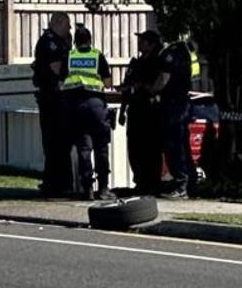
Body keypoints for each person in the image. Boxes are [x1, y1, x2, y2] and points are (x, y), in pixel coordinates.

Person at [62, 24, 114, 200]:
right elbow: (107, 83)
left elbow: (61, 80)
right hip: (96, 106)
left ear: (75, 41)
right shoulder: (97, 56)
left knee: (84, 149)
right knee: (101, 148)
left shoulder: (69, 56)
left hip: (76, 107)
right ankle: (104, 188)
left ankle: (87, 188)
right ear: (90, 40)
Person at [32, 11, 73, 195]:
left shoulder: (60, 41)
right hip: (51, 98)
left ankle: (59, 182)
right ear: (57, 23)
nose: (69, 28)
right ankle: (55, 183)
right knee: (54, 142)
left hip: (56, 98)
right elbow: (57, 69)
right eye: (67, 24)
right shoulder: (51, 41)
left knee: (60, 142)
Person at [150, 37, 196, 199]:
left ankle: (181, 184)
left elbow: (164, 78)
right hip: (183, 103)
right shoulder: (185, 52)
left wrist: (152, 91)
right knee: (182, 145)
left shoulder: (172, 53)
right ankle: (189, 183)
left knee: (174, 145)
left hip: (173, 105)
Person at [120, 30, 164, 196]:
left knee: (151, 148)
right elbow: (127, 87)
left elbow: (156, 86)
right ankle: (140, 181)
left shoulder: (156, 63)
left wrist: (143, 87)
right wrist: (122, 110)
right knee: (135, 148)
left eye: (143, 41)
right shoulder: (136, 63)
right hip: (135, 110)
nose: (140, 44)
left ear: (151, 44)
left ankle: (152, 182)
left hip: (150, 111)